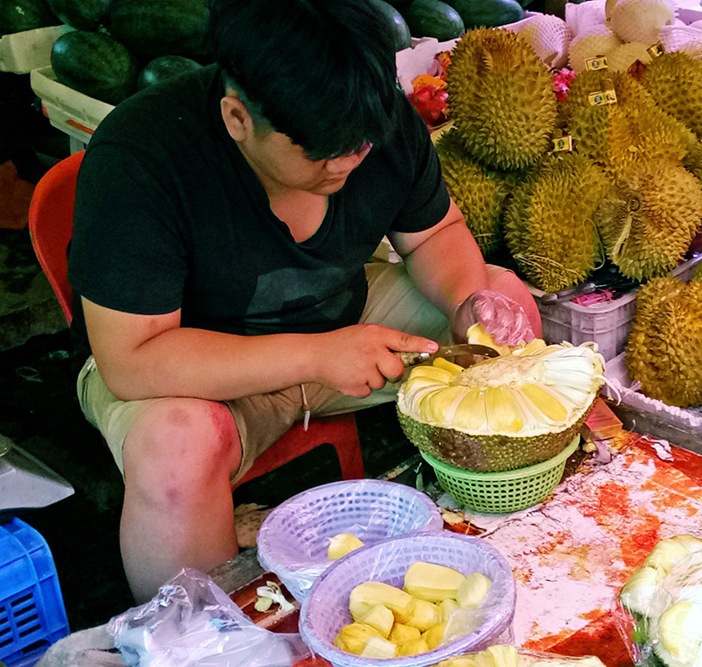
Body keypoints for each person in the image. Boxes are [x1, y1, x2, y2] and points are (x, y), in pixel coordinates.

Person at [67, 0, 542, 603]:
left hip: (342, 327)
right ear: (238, 117)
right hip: (185, 369)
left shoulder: (368, 117)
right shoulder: (141, 157)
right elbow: (132, 361)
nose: (347, 161)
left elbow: (436, 234)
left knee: (504, 305)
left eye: (360, 146)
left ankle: (513, 542)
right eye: (321, 152)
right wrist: (317, 356)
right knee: (178, 446)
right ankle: (201, 638)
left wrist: (466, 301)